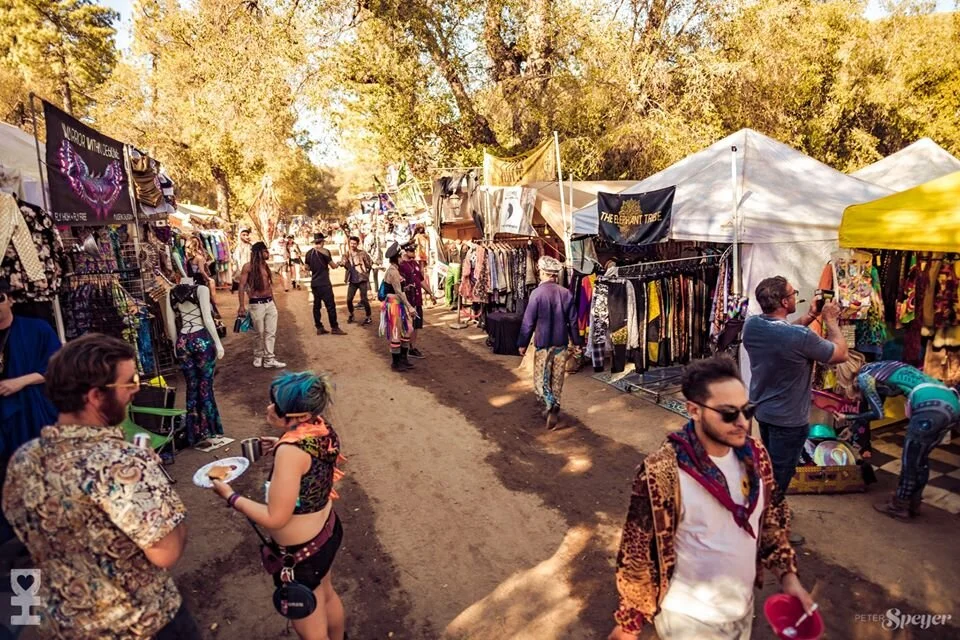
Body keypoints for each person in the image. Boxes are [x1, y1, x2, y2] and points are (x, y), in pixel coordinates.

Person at [2, 334, 198, 639]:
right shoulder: (121, 464)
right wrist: (154, 483)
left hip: (67, 626)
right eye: (129, 382)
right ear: (95, 396)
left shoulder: (23, 460)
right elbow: (166, 551)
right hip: (141, 623)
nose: (136, 389)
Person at [609, 355, 812, 640]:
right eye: (729, 414)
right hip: (689, 620)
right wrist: (629, 625)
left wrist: (789, 578)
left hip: (742, 612)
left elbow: (771, 523)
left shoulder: (756, 457)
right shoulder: (662, 473)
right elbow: (637, 554)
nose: (742, 422)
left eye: (747, 410)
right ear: (694, 410)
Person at [211, 372, 345, 640]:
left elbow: (275, 518)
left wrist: (230, 495)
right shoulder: (321, 426)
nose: (269, 408)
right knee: (326, 594)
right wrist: (282, 441)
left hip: (303, 554)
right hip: (326, 534)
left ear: (301, 417)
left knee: (309, 625)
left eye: (277, 406)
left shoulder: (291, 452)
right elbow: (313, 463)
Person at [742, 276, 848, 543]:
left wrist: (811, 315)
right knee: (780, 474)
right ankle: (770, 529)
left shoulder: (753, 326)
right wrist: (831, 321)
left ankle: (767, 510)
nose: (796, 296)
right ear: (784, 301)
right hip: (789, 420)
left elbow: (786, 335)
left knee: (770, 467)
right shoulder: (797, 337)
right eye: (793, 293)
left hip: (764, 412)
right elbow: (839, 354)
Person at [835, 361, 960, 520]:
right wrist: (852, 429)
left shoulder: (864, 377)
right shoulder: (882, 368)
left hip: (931, 406)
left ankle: (899, 506)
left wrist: (847, 417)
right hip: (951, 402)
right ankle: (914, 503)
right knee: (921, 459)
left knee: (910, 461)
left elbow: (878, 413)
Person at [0, 280, 61, 543]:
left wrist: (21, 381)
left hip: (33, 411)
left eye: (0, 297)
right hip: (5, 419)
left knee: (39, 470)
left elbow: (57, 364)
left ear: (10, 299)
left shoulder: (36, 329)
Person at [517, 256, 581, 430]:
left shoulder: (537, 294)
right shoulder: (566, 293)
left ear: (543, 273)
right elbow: (573, 322)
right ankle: (555, 404)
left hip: (543, 344)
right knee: (557, 378)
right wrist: (577, 343)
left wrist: (522, 343)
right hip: (561, 344)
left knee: (540, 380)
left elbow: (528, 322)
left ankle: (550, 403)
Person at [239, 241, 287, 369]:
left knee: (271, 332)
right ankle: (258, 356)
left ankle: (269, 358)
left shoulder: (265, 266)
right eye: (265, 251)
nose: (268, 253)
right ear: (258, 253)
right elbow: (242, 286)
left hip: (269, 302)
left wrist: (274, 303)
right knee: (258, 332)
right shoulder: (248, 267)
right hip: (256, 304)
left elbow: (269, 286)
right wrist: (241, 306)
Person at [381, 242, 416, 371]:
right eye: (400, 255)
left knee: (407, 329)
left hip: (397, 302)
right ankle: (396, 363)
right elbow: (398, 291)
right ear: (397, 257)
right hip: (395, 304)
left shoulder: (395, 270)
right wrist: (409, 306)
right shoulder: (393, 272)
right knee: (397, 331)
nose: (403, 257)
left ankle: (403, 359)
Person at [305, 233, 346, 336]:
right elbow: (333, 266)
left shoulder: (309, 253)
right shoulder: (325, 252)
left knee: (316, 306)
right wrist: (339, 263)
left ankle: (319, 327)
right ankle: (334, 327)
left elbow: (306, 268)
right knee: (330, 306)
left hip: (314, 283)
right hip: (324, 283)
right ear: (322, 241)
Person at [399, 244, 436, 359]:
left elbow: (421, 280)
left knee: (416, 326)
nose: (414, 252)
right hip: (408, 301)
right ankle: (403, 348)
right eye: (411, 250)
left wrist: (431, 293)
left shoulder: (414, 264)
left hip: (417, 300)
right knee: (406, 326)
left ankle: (412, 348)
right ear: (405, 251)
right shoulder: (401, 266)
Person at [344, 236, 373, 325]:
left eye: (354, 243)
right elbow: (345, 264)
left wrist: (365, 272)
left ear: (357, 244)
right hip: (352, 280)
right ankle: (351, 314)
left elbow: (369, 264)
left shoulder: (362, 253)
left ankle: (368, 317)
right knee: (349, 299)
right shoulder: (347, 254)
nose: (353, 245)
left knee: (364, 299)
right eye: (351, 243)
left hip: (362, 279)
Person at [231, 227, 253, 292]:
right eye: (243, 235)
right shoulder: (238, 247)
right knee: (243, 287)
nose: (246, 236)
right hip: (242, 270)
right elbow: (237, 260)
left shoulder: (251, 246)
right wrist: (241, 270)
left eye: (247, 235)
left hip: (251, 269)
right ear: (240, 236)